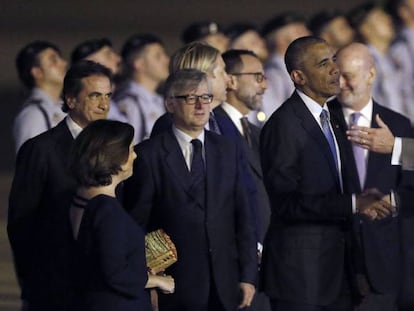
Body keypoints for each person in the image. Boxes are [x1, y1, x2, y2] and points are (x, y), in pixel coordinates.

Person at [260, 36, 394, 311]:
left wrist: (359, 199)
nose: (335, 69)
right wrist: (354, 203)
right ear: (298, 76)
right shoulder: (284, 125)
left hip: (336, 275)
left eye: (334, 59)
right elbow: (286, 203)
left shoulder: (328, 118)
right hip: (301, 279)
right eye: (324, 63)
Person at [123, 69, 257, 311]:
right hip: (174, 286)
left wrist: (248, 275)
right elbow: (137, 223)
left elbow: (243, 215)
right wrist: (149, 280)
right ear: (171, 104)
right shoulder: (149, 154)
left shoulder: (227, 149)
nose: (200, 106)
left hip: (226, 285)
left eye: (206, 98)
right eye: (190, 98)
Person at [8, 60, 113, 311]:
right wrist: (33, 285)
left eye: (108, 95)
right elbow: (22, 222)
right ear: (71, 100)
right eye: (95, 96)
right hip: (55, 288)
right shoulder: (41, 149)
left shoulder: (115, 148)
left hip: (104, 287)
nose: (104, 105)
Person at [328, 42, 411, 310]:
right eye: (335, 76)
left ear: (371, 75)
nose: (341, 84)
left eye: (348, 76)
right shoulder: (320, 121)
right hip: (334, 260)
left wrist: (390, 202)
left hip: (384, 261)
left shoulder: (398, 126)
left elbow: (411, 185)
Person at [69, 119, 174, 311]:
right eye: (131, 149)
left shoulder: (98, 204)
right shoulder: (106, 211)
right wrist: (156, 281)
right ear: (115, 157)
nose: (135, 156)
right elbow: (114, 273)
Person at [218, 48, 271, 311]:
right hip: (234, 263)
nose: (265, 85)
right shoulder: (214, 127)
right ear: (231, 80)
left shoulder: (257, 132)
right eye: (258, 77)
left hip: (262, 263)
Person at [348, 2, 409, 120]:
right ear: (365, 29)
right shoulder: (365, 63)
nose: (388, 19)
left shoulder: (392, 57)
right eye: (380, 18)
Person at [252, 12, 310, 126]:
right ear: (281, 40)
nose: (308, 34)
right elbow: (270, 118)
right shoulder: (272, 75)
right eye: (299, 32)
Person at [114, 33, 169, 144]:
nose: (166, 60)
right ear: (139, 64)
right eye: (158, 56)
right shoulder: (130, 103)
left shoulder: (159, 100)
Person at [13, 40, 67, 152]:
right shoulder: (34, 114)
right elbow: (31, 164)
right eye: (53, 60)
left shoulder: (66, 107)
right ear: (37, 72)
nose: (64, 63)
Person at [71, 37, 126, 121]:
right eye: (108, 55)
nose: (118, 58)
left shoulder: (114, 104)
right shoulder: (86, 107)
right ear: (89, 61)